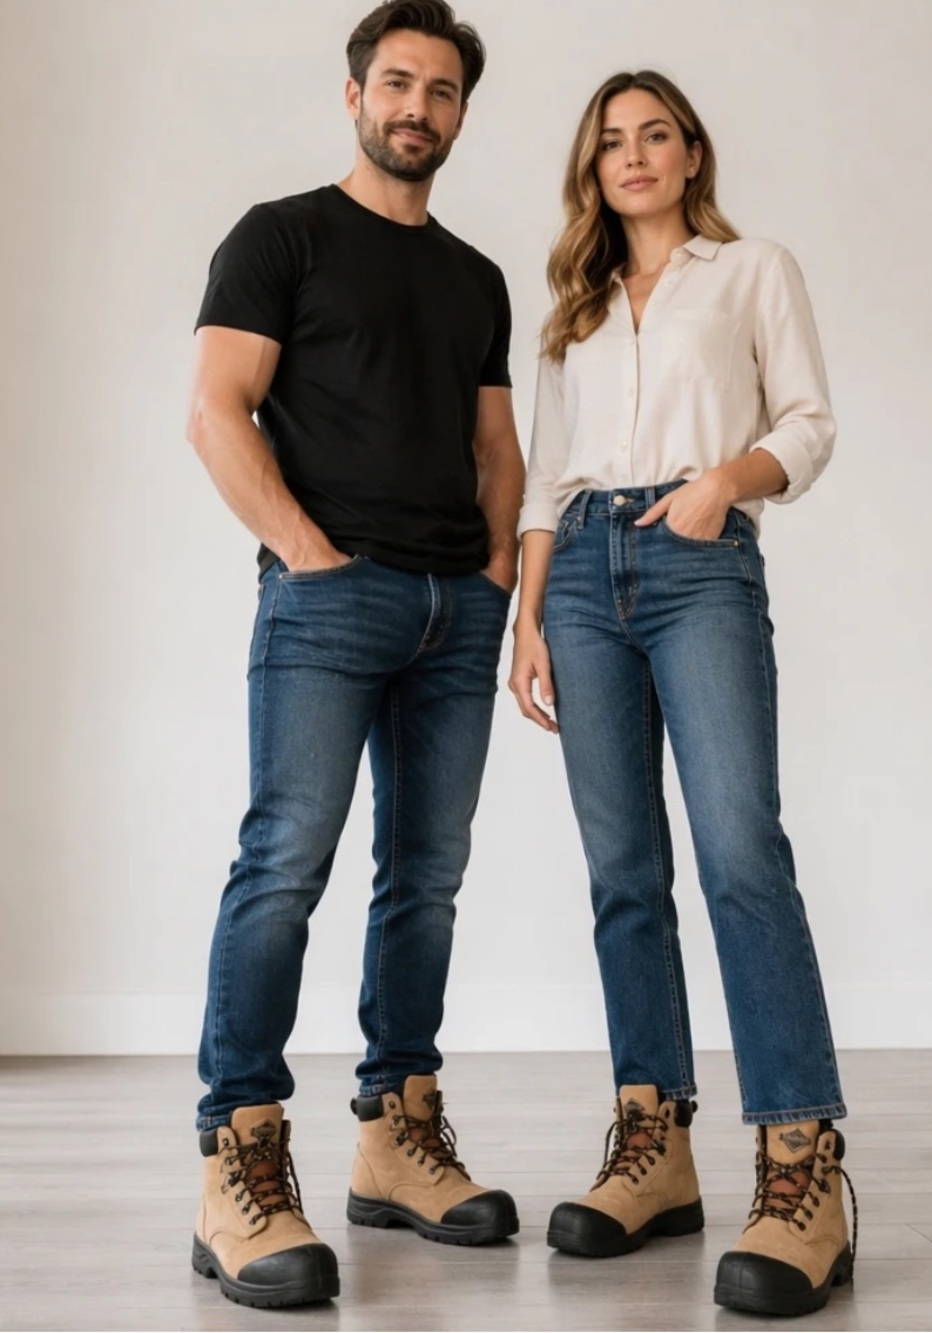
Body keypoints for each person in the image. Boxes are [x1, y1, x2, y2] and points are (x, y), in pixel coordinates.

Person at [186, 0, 524, 1308]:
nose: (416, 109)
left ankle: (395, 1133)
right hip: (328, 600)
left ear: (456, 113)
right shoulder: (280, 238)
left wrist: (491, 576)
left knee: (425, 879)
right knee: (283, 864)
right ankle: (238, 1156)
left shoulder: (475, 277)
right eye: (396, 84)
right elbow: (216, 413)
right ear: (353, 95)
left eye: (440, 92)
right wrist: (307, 554)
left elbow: (496, 446)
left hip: (453, 610)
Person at [510, 70, 856, 1318]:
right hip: (581, 577)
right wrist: (529, 617)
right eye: (612, 141)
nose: (635, 155)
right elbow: (546, 478)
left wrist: (724, 482)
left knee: (738, 852)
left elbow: (811, 422)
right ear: (592, 169)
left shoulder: (752, 269)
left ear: (693, 151)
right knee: (621, 870)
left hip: (699, 559)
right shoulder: (577, 306)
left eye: (656, 133)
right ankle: (652, 1140)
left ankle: (802, 1157)